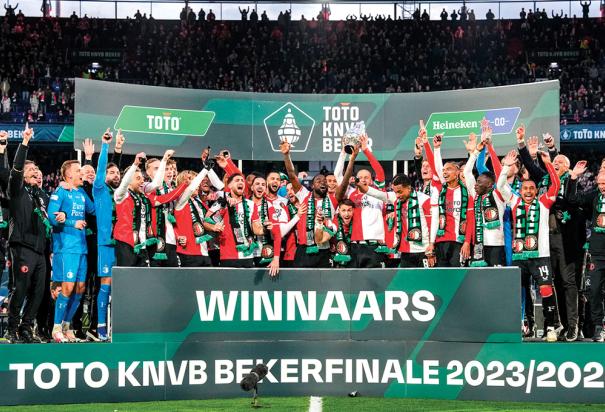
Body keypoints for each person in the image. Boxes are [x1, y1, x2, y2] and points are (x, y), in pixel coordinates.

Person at [498, 150, 561, 342]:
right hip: (519, 256)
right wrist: (506, 167)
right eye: (525, 189)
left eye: (531, 189)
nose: (527, 192)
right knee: (516, 291)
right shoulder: (514, 200)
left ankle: (550, 327)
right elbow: (500, 185)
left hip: (540, 256)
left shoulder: (543, 203)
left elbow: (556, 185)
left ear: (535, 191)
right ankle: (521, 325)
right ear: (521, 190)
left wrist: (548, 163)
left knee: (546, 290)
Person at [5, 124, 48, 343]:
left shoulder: (42, 197)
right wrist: (24, 143)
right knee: (20, 289)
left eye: (38, 171)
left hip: (40, 250)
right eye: (32, 170)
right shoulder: (17, 190)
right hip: (22, 246)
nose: (36, 173)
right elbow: (17, 168)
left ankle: (25, 327)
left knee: (38, 292)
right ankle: (11, 328)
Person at [48, 159, 95, 343]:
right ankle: (56, 327)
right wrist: (69, 221)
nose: (81, 173)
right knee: (66, 288)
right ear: (68, 175)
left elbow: (92, 210)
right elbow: (52, 218)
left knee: (79, 289)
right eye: (78, 171)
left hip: (81, 248)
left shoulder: (80, 193)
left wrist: (88, 184)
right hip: (66, 248)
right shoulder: (60, 192)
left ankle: (67, 326)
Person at [565, 161, 605, 341]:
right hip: (597, 252)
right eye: (601, 184)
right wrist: (574, 177)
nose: (603, 187)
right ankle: (598, 327)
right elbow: (573, 200)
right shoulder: (594, 195)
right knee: (594, 290)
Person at [281, 141, 336, 268]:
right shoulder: (304, 194)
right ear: (312, 185)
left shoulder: (332, 200)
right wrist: (286, 155)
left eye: (325, 181)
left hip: (323, 250)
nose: (323, 182)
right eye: (318, 180)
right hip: (304, 250)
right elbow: (292, 175)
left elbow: (342, 183)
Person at [463, 131, 506, 267]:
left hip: (495, 245)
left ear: (489, 184)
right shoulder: (475, 195)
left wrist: (490, 147)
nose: (475, 184)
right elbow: (467, 172)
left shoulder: (498, 194)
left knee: (496, 279)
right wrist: (476, 152)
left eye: (479, 182)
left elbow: (500, 175)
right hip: (478, 244)